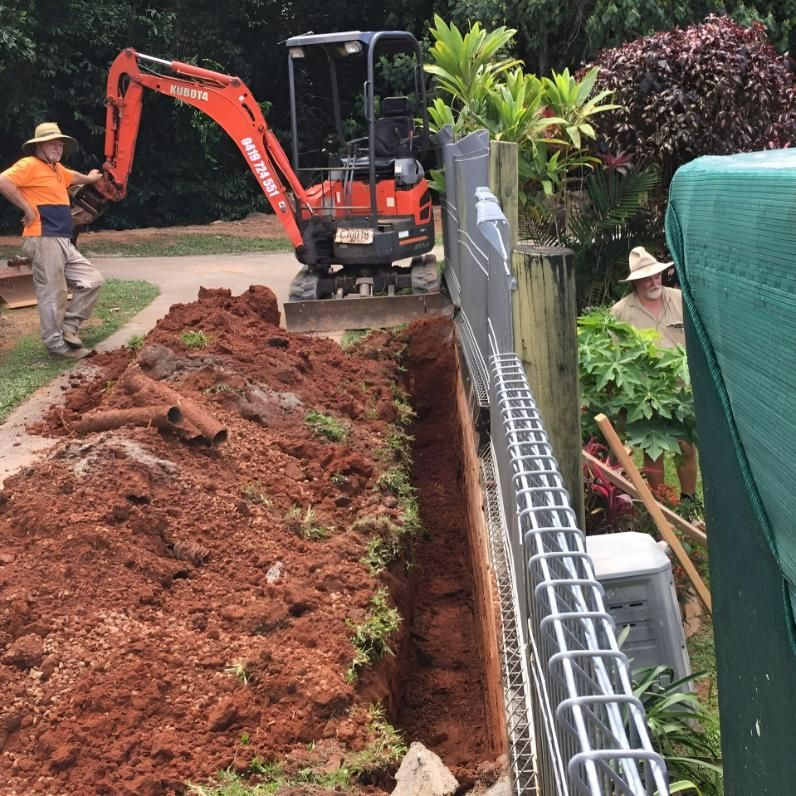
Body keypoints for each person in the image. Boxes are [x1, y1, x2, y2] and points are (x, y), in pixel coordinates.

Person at [0, 122, 105, 359]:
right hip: (43, 237)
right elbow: (3, 181)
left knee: (92, 280)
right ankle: (56, 347)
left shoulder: (57, 169)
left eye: (60, 144)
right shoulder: (29, 164)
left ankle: (69, 327)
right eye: (53, 143)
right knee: (53, 293)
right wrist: (27, 208)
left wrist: (90, 178)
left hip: (62, 239)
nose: (58, 147)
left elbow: (73, 176)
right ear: (39, 146)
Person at [611, 245, 698, 501]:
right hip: (644, 394)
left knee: (686, 447)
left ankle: (689, 500)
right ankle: (661, 505)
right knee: (653, 449)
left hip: (681, 391)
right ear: (635, 282)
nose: (654, 281)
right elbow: (615, 354)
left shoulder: (680, 300)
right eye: (647, 278)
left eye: (656, 275)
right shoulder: (620, 312)